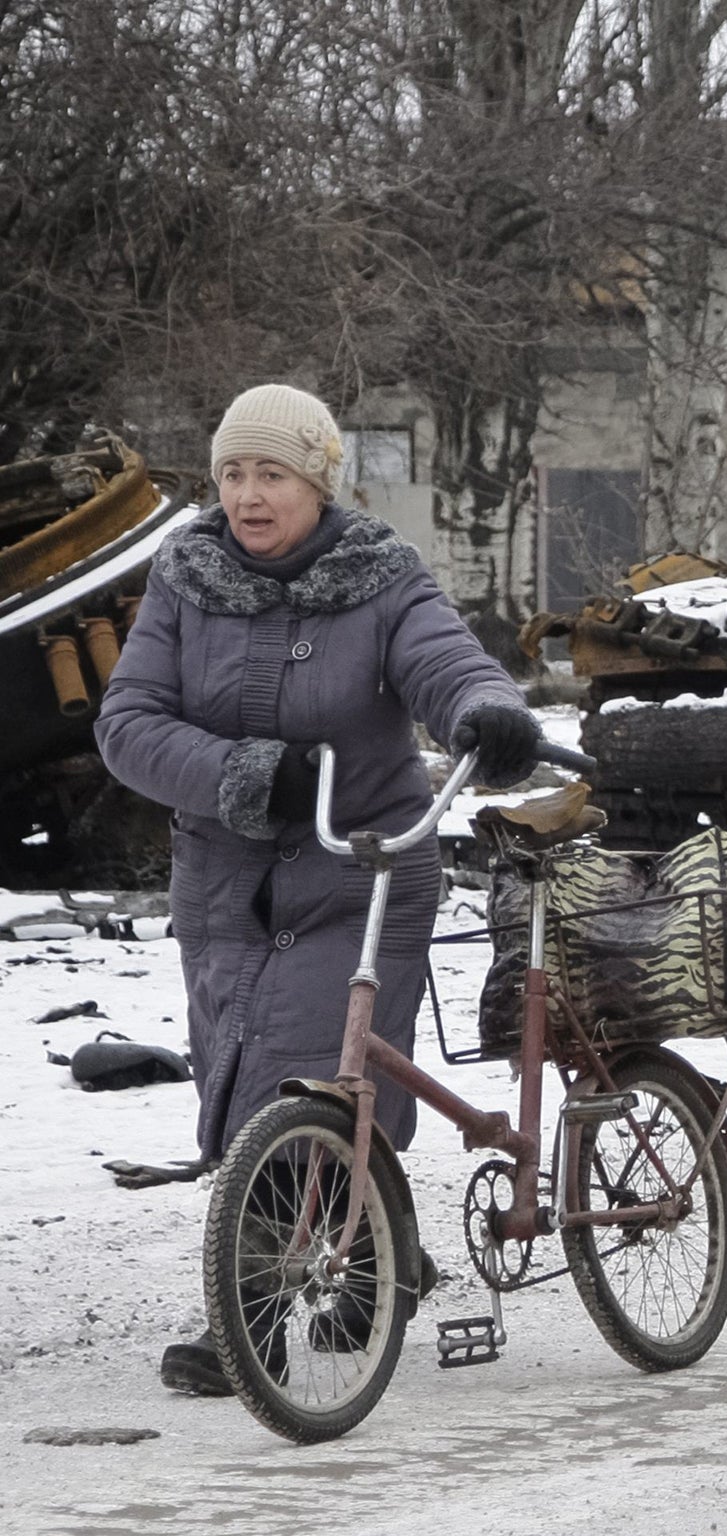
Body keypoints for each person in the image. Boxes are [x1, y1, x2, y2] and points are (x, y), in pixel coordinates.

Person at [95, 383, 545, 1394]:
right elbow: (128, 725)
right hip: (225, 879)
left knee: (325, 1069)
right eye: (233, 474)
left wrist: (487, 711)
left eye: (274, 475)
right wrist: (254, 775)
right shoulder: (185, 573)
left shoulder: (381, 575)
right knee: (240, 1075)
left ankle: (246, 1318)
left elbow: (444, 660)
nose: (249, 496)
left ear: (319, 480)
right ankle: (372, 1256)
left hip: (364, 868)